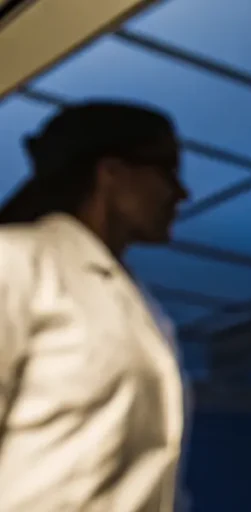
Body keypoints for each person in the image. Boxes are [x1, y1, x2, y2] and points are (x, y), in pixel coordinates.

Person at [0, 101, 190, 511]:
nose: (182, 193)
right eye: (168, 171)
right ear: (111, 172)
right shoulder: (15, 259)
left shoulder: (142, 307)